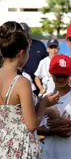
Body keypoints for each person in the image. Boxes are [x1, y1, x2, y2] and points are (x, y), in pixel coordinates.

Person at [0, 21, 59, 158]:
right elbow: (31, 125)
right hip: (20, 146)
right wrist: (44, 103)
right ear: (22, 53)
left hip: (2, 142)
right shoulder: (22, 82)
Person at [21, 22, 48, 95]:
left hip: (40, 84)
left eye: (26, 32)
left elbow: (46, 62)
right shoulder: (18, 47)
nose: (24, 35)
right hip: (24, 82)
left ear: (29, 32)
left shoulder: (39, 45)